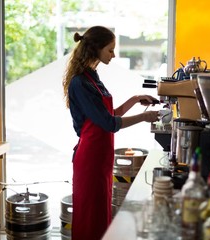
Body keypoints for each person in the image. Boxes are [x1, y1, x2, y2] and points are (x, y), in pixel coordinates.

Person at [62, 26, 159, 240]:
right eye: (110, 50)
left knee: (101, 214)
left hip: (101, 157)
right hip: (90, 159)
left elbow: (107, 114)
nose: (113, 55)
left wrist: (135, 99)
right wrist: (145, 117)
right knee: (90, 217)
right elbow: (108, 123)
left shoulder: (92, 77)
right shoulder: (80, 82)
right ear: (96, 48)